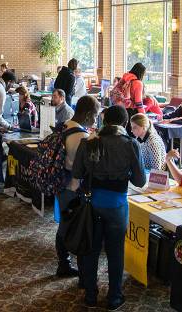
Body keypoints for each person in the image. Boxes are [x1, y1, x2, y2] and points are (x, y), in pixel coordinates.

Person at [72, 105, 146, 310]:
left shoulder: (88, 141)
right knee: (115, 253)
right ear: (124, 123)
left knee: (91, 250)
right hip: (117, 206)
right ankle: (114, 297)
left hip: (91, 203)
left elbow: (77, 172)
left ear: (104, 121)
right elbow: (140, 181)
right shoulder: (130, 144)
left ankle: (90, 295)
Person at [55, 95, 100, 278]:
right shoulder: (82, 137)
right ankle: (77, 270)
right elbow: (87, 168)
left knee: (64, 225)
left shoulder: (66, 124)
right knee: (77, 228)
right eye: (95, 115)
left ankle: (63, 262)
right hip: (74, 189)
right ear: (88, 114)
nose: (96, 119)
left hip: (61, 183)